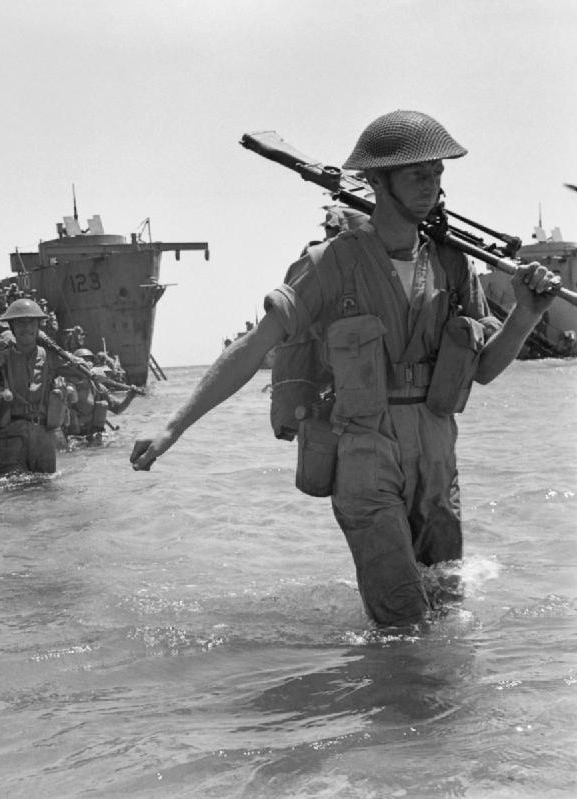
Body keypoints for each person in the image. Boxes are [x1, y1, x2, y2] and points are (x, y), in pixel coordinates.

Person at [130, 109, 560, 627]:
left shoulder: (451, 264)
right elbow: (253, 346)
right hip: (365, 453)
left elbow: (485, 368)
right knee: (402, 620)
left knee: (447, 613)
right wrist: (171, 428)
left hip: (438, 458)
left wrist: (527, 313)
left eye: (438, 173)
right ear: (378, 182)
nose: (432, 185)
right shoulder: (330, 262)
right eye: (417, 174)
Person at [0, 298, 62, 477]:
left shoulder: (51, 357)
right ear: (12, 327)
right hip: (9, 437)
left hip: (43, 437)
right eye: (20, 322)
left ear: (38, 326)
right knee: (10, 491)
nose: (26, 327)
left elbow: (79, 376)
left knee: (46, 491)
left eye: (31, 322)